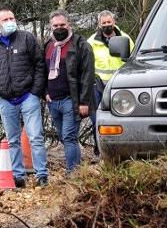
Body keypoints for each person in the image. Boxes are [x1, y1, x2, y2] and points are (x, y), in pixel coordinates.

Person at [0, 8, 49, 187]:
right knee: (13, 140)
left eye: (12, 18)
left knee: (36, 137)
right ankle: (18, 176)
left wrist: (35, 91)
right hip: (5, 99)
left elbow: (40, 65)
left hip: (28, 97)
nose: (10, 21)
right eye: (5, 19)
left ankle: (42, 175)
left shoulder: (27, 39)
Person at [43, 10, 96, 171]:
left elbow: (88, 75)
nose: (59, 28)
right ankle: (79, 169)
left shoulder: (81, 45)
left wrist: (84, 102)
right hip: (53, 100)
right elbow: (41, 71)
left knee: (69, 136)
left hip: (71, 100)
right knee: (63, 137)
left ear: (69, 25)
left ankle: (72, 173)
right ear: (51, 27)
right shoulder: (48, 46)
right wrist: (44, 93)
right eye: (55, 25)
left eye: (62, 25)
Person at [87, 10, 134, 153]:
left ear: (114, 22)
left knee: (122, 118)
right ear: (99, 25)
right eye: (104, 23)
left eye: (109, 22)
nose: (107, 25)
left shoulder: (126, 38)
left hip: (120, 84)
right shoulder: (92, 42)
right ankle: (99, 149)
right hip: (98, 84)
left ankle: (123, 148)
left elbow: (133, 61)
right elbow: (86, 64)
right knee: (97, 119)